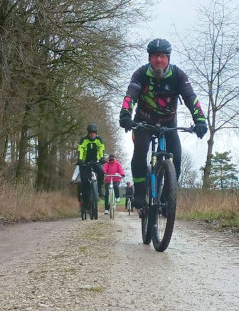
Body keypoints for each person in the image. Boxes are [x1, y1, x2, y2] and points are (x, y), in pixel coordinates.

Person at [119, 38, 207, 215]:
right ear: (149, 58)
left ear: (168, 58)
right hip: (143, 122)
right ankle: (140, 193)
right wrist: (125, 115)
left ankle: (167, 198)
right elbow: (131, 95)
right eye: (154, 56)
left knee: (177, 158)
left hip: (168, 124)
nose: (158, 59)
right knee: (140, 150)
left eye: (162, 56)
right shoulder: (141, 74)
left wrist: (200, 120)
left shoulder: (178, 75)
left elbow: (191, 98)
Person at [76, 123, 105, 210]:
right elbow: (80, 149)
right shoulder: (83, 140)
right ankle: (86, 202)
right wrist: (80, 159)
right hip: (85, 163)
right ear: (88, 133)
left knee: (101, 172)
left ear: (96, 133)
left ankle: (99, 189)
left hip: (95, 162)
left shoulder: (99, 139)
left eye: (94, 132)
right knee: (85, 181)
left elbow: (101, 149)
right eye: (91, 132)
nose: (92, 134)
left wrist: (102, 158)